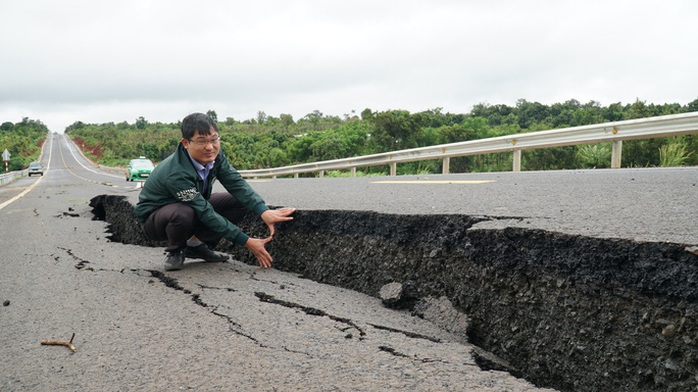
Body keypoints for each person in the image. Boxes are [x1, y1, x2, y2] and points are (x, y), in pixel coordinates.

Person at [134, 112, 295, 271]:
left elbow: (236, 183)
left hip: (192, 207)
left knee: (238, 201)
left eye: (214, 139)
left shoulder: (215, 157)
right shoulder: (175, 173)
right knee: (183, 212)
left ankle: (196, 245)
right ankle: (176, 250)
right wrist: (246, 241)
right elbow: (204, 211)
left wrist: (263, 211)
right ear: (185, 143)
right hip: (155, 221)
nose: (210, 147)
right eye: (202, 141)